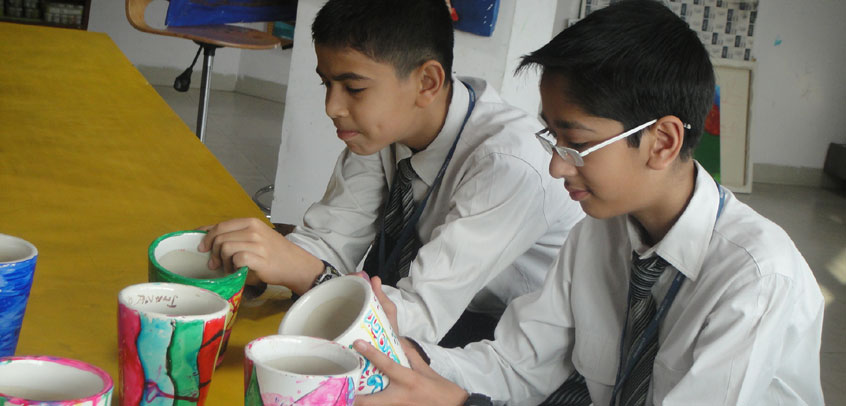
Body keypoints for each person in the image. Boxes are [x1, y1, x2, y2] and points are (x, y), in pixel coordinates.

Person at [351, 1, 826, 405]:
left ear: (662, 141)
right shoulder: (598, 235)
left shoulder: (755, 279)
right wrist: (412, 357)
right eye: (551, 138)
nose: (557, 167)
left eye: (575, 144)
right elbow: (517, 363)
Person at [198, 0, 584, 347]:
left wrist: (307, 274)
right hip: (416, 311)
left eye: (353, 88)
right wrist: (257, 264)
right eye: (327, 84)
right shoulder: (382, 132)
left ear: (427, 83)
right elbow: (331, 242)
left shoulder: (509, 167)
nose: (332, 107)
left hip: (500, 343)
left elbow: (420, 317)